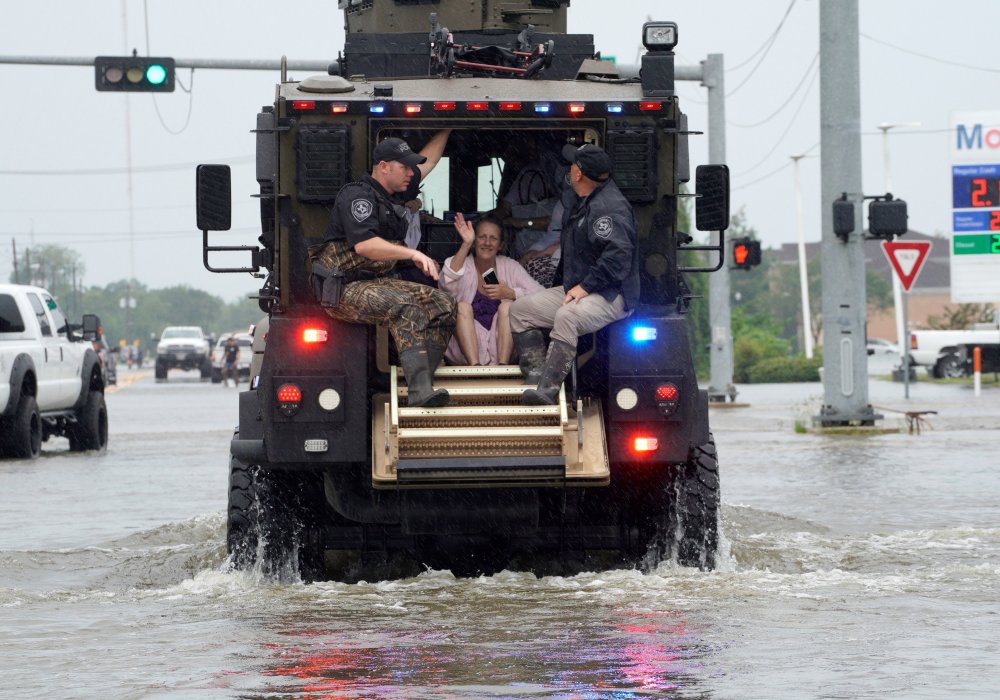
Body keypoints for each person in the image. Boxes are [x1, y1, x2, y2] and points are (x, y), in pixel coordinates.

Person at [311, 136, 457, 407]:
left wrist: (450, 123)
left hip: (378, 283)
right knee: (407, 306)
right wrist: (413, 253)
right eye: (405, 168)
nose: (412, 174)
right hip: (345, 289)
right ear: (383, 167)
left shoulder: (394, 192)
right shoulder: (358, 195)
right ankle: (419, 392)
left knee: (443, 304)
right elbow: (366, 245)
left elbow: (431, 161)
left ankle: (421, 378)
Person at [509, 143, 640, 406]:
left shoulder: (608, 207)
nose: (568, 168)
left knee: (566, 316)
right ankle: (535, 374)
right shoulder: (580, 197)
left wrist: (586, 287)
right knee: (520, 310)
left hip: (610, 293)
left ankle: (548, 389)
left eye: (573, 164)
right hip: (578, 287)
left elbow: (618, 258)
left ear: (578, 173)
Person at [439, 214, 543, 366]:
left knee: (508, 306)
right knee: (462, 307)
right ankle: (474, 367)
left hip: (503, 347)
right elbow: (446, 283)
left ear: (500, 245)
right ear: (475, 242)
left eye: (493, 238)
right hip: (463, 351)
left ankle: (502, 367)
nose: (487, 243)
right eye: (482, 237)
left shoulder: (510, 266)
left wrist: (511, 293)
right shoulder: (464, 264)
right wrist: (466, 244)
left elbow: (541, 296)